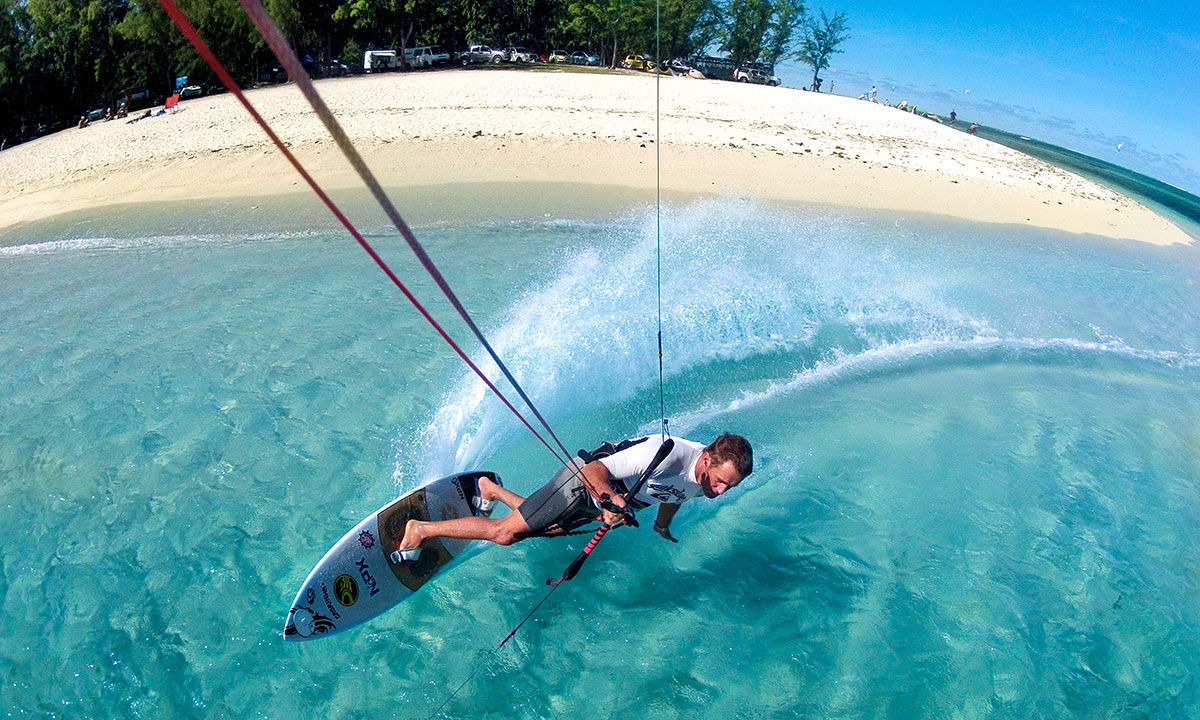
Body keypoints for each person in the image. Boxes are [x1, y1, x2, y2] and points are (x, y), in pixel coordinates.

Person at [391, 433, 754, 561]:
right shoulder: (668, 453)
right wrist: (611, 499)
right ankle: (419, 529)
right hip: (583, 482)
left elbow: (674, 494)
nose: (719, 492)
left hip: (608, 503)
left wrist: (661, 525)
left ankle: (490, 489)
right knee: (504, 534)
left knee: (541, 531)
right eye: (720, 481)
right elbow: (594, 469)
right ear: (707, 459)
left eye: (728, 488)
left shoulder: (704, 481)